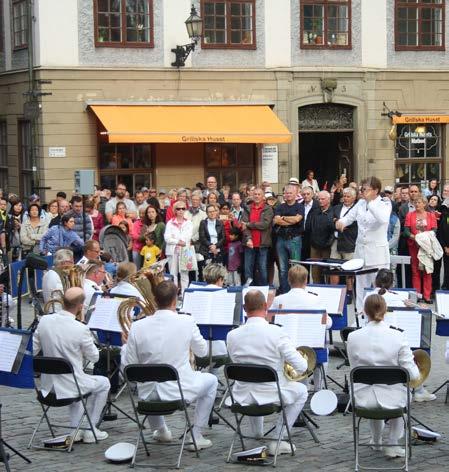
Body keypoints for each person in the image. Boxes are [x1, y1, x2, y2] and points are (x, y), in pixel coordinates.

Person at [123, 281, 217, 450]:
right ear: (175, 300)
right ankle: (196, 436)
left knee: (151, 377)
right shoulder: (187, 321)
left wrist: (125, 345)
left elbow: (128, 365)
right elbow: (202, 352)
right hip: (178, 390)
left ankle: (161, 430)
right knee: (212, 381)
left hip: (148, 394)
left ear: (155, 300)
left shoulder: (137, 327)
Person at [226, 289, 308, 456]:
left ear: (244, 308)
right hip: (271, 394)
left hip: (242, 396)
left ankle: (257, 432)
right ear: (265, 306)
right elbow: (301, 366)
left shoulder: (232, 335)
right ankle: (278, 438)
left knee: (252, 379)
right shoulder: (277, 332)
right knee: (302, 391)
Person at [33, 287, 110, 443]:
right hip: (71, 387)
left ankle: (75, 429)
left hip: (48, 388)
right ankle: (90, 428)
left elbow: (33, 349)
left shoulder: (44, 321)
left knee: (78, 383)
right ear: (81, 306)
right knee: (104, 383)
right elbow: (94, 357)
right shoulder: (81, 329)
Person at [347, 294, 420, 459]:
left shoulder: (353, 336)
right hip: (393, 399)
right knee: (404, 394)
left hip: (362, 398)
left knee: (373, 386)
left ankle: (376, 440)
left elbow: (354, 368)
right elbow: (413, 374)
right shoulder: (398, 336)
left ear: (365, 311)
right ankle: (393, 442)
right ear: (385, 310)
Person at [271, 264, 332, 391]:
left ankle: (298, 385)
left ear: (288, 280)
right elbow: (328, 324)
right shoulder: (316, 299)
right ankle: (318, 387)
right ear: (306, 280)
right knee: (323, 345)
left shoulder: (278, 299)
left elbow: (271, 322)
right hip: (312, 347)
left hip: (288, 346)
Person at [336, 176, 391, 313]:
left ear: (375, 190)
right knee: (360, 287)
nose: (362, 191)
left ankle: (379, 315)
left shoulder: (384, 203)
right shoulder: (360, 204)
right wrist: (341, 222)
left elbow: (383, 219)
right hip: (361, 253)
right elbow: (349, 217)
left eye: (365, 189)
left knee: (378, 288)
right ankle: (361, 315)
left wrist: (370, 203)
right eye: (362, 189)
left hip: (377, 254)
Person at [404, 195, 438, 303]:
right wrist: (414, 237)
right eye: (415, 202)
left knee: (427, 271)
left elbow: (434, 230)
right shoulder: (410, 215)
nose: (417, 204)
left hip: (427, 247)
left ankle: (427, 296)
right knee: (415, 272)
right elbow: (406, 231)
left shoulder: (430, 215)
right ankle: (417, 295)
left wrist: (426, 237)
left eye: (419, 202)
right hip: (414, 246)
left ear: (424, 204)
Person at [273, 185, 304, 294]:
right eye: (286, 193)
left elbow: (297, 219)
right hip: (281, 240)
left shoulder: (300, 207)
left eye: (290, 193)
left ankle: (296, 292)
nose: (288, 195)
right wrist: (290, 220)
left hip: (294, 240)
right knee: (282, 269)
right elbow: (276, 220)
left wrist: (284, 218)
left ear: (296, 194)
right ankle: (284, 292)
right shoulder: (280, 207)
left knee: (296, 268)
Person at [241, 187, 274, 285]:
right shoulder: (247, 208)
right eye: (255, 194)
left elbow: (265, 225)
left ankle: (264, 289)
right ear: (252, 195)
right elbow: (243, 225)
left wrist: (249, 224)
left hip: (262, 243)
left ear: (263, 196)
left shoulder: (268, 209)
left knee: (262, 268)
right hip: (249, 243)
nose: (256, 196)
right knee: (248, 268)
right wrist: (249, 238)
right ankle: (248, 289)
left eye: (259, 194)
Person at [329, 187, 358, 297]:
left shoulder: (356, 209)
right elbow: (331, 221)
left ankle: (349, 293)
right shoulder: (336, 208)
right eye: (344, 196)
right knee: (333, 267)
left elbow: (352, 225)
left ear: (354, 198)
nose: (345, 198)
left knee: (349, 269)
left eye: (348, 196)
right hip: (336, 242)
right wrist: (337, 223)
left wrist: (340, 223)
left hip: (349, 242)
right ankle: (334, 292)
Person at [164, 200, 193, 294]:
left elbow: (187, 237)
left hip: (185, 251)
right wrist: (177, 241)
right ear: (174, 210)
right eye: (178, 209)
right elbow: (167, 238)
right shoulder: (170, 223)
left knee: (184, 274)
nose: (181, 210)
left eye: (183, 208)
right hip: (172, 252)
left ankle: (185, 295)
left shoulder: (189, 223)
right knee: (173, 275)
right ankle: (174, 296)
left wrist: (175, 239)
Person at [307, 191, 335, 283]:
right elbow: (309, 227)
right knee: (315, 272)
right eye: (319, 199)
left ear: (329, 199)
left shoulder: (334, 212)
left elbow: (334, 230)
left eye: (323, 199)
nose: (320, 201)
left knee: (327, 271)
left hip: (327, 246)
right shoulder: (314, 211)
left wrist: (329, 242)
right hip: (314, 246)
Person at [299, 185, 319, 261]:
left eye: (308, 194)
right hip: (302, 235)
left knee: (312, 260)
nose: (306, 196)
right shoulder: (300, 205)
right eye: (304, 194)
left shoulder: (317, 205)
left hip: (313, 236)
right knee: (303, 259)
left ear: (312, 194)